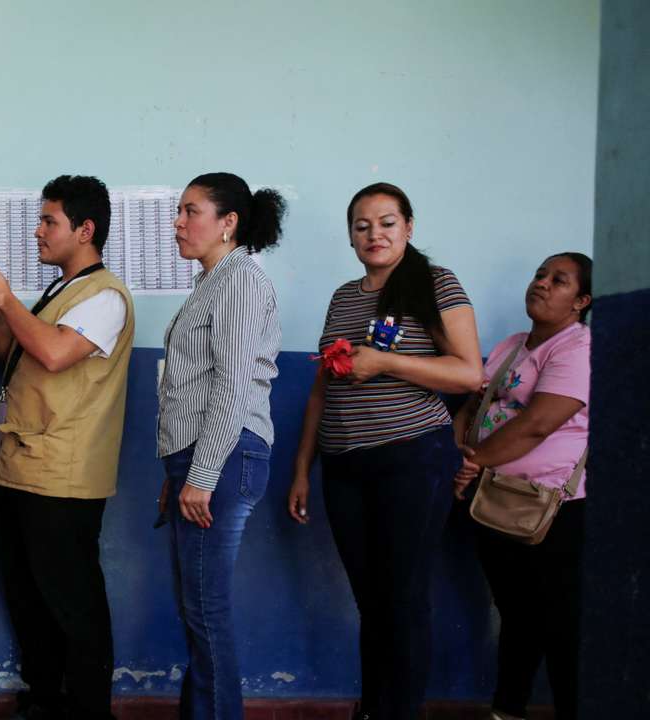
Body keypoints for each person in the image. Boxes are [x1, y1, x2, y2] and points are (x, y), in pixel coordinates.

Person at [286, 183, 483, 720]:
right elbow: (323, 388)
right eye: (362, 225)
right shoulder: (345, 296)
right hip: (346, 466)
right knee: (372, 602)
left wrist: (386, 362)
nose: (375, 234)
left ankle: (399, 711)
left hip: (412, 461)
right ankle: (374, 709)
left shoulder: (435, 283)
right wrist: (304, 467)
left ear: (410, 227)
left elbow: (470, 371)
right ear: (350, 236)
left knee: (403, 599)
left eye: (387, 222)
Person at [0, 175, 133, 720]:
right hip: (20, 466)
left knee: (73, 603)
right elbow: (13, 354)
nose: (38, 231)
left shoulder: (105, 295)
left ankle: (88, 709)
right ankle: (46, 699)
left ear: (85, 230)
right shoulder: (59, 291)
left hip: (63, 476)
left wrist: (9, 302)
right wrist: (0, 315)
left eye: (49, 221)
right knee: (29, 598)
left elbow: (54, 353)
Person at [155, 173, 284, 720]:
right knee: (197, 611)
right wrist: (179, 476)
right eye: (179, 211)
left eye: (191, 211)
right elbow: (201, 385)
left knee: (207, 611)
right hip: (207, 457)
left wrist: (202, 475)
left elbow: (232, 386)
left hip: (225, 458)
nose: (178, 223)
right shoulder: (213, 281)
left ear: (228, 223)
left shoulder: (239, 281)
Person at [451, 253, 592, 720]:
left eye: (559, 280)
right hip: (494, 500)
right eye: (539, 275)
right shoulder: (513, 344)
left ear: (582, 301)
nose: (542, 284)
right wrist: (461, 444)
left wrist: (473, 462)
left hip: (551, 505)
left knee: (559, 624)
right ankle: (507, 710)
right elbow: (475, 404)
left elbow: (538, 424)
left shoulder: (578, 348)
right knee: (517, 616)